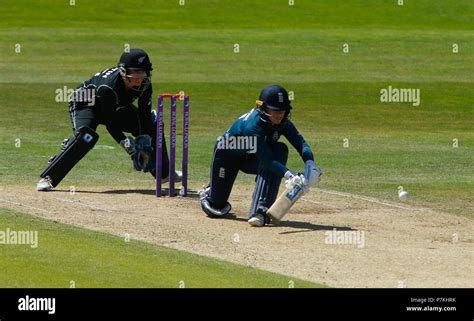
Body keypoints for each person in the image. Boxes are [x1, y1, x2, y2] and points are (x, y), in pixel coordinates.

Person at [36, 48, 180, 191]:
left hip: (116, 105)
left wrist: (143, 142)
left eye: (142, 72)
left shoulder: (145, 84)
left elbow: (143, 113)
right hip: (86, 103)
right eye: (135, 72)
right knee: (86, 137)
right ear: (124, 72)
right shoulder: (108, 87)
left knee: (153, 123)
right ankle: (50, 176)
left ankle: (164, 174)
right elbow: (111, 123)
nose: (139, 77)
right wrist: (128, 146)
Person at [199, 85, 322, 227]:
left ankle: (260, 211)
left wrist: (310, 163)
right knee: (216, 208)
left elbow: (300, 143)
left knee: (279, 149)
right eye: (275, 110)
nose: (279, 114)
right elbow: (267, 159)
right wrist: (289, 175)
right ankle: (210, 192)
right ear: (263, 108)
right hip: (228, 156)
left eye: (282, 110)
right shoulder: (253, 126)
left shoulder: (283, 123)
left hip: (251, 157)